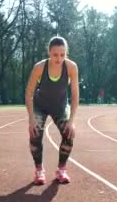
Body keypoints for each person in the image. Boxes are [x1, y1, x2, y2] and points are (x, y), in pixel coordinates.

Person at [25, 36, 80, 185]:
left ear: (66, 53)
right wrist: (31, 119)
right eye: (55, 54)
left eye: (62, 54)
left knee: (69, 134)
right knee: (35, 134)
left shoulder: (71, 67)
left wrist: (71, 121)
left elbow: (75, 95)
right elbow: (29, 93)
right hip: (40, 106)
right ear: (49, 53)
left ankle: (61, 170)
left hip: (60, 107)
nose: (59, 58)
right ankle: (39, 171)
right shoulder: (39, 67)